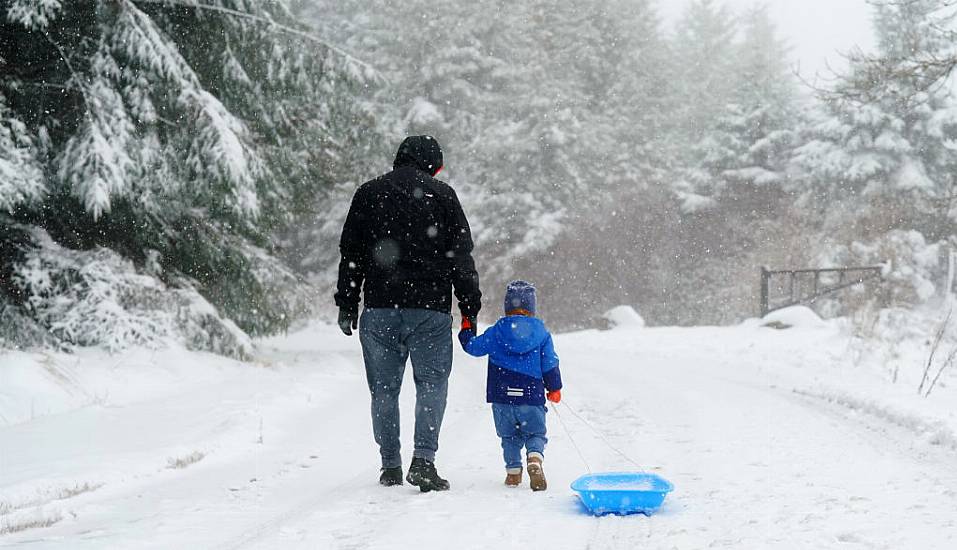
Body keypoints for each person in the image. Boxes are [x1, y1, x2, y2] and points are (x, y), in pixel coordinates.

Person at [335, 135, 482, 492]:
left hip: (381, 308)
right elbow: (461, 258)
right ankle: (423, 461)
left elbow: (351, 253)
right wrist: (469, 307)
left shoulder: (369, 194)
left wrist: (347, 303)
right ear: (431, 162)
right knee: (431, 385)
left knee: (384, 390)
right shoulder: (443, 195)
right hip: (430, 311)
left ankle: (390, 465)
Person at [458, 280, 562, 491]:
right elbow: (550, 362)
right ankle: (534, 458)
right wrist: (554, 388)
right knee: (535, 433)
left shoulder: (497, 331)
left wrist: (466, 330)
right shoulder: (541, 333)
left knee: (509, 436)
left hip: (502, 395)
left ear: (507, 306)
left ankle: (513, 472)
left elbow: (473, 348)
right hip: (531, 396)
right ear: (532, 307)